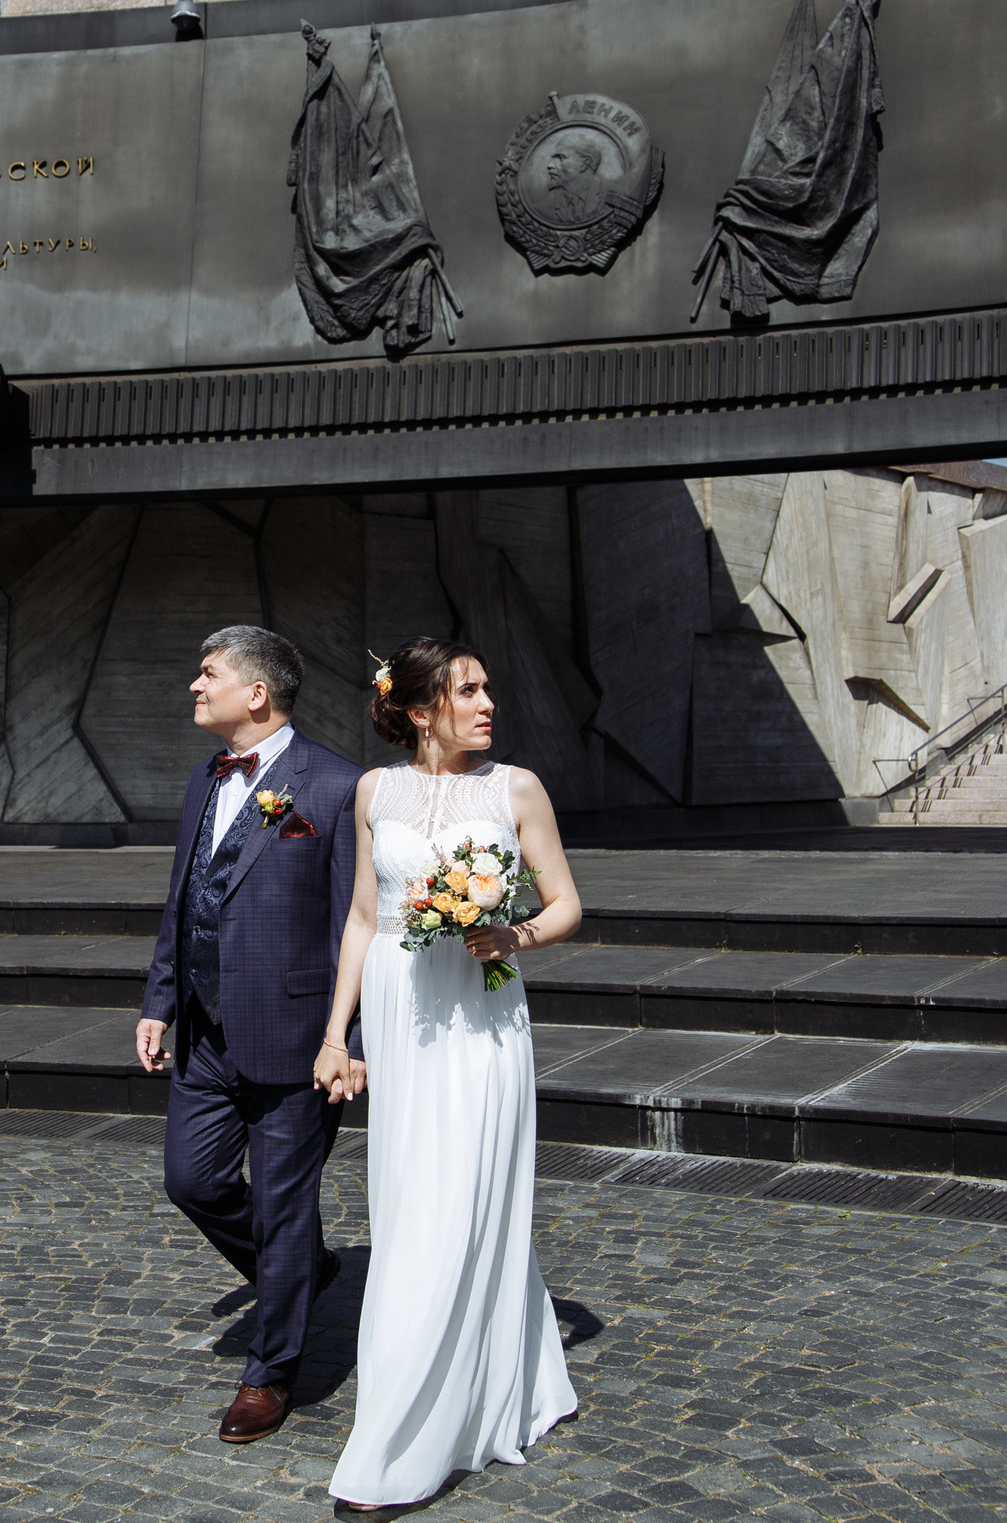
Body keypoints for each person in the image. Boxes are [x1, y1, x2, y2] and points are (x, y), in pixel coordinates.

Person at [313, 636, 582, 1512]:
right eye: (468, 689)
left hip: (482, 1016)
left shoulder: (516, 788)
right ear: (421, 709)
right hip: (399, 1013)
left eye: (488, 686)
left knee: (462, 1198)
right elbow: (362, 916)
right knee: (408, 1202)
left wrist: (515, 935)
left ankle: (405, 1438)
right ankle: (471, 1366)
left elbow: (567, 901)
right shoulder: (372, 790)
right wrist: (335, 1033)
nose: (488, 702)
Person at [136, 624, 365, 1445]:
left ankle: (270, 1371)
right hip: (204, 1034)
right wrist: (159, 999)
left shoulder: (337, 787)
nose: (194, 687)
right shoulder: (205, 779)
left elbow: (357, 925)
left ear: (256, 692)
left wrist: (349, 1038)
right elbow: (183, 899)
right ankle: (301, 1269)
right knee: (192, 1181)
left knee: (282, 1203)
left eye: (207, 674)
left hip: (298, 1038)